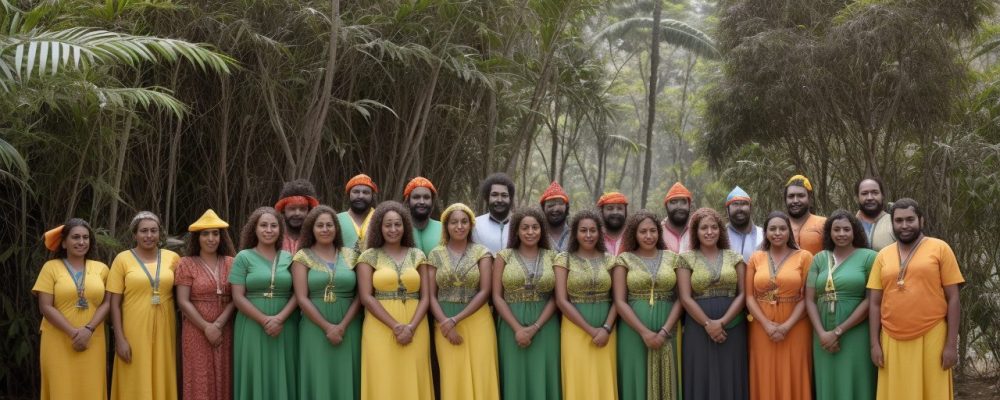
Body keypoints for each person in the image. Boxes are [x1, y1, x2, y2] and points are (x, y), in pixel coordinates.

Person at [867, 198, 963, 400]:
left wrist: (951, 345)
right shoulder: (882, 255)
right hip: (891, 338)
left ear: (921, 220)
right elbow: (874, 303)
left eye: (910, 219)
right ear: (892, 223)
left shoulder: (940, 248)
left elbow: (953, 297)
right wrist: (874, 344)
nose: (904, 225)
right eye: (899, 220)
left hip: (932, 335)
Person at [356, 201, 434, 399]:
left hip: (416, 325)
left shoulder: (418, 255)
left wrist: (411, 327)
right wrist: (396, 326)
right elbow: (366, 297)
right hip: (380, 326)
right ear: (379, 227)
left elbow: (426, 296)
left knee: (413, 375)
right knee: (383, 377)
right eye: (388, 225)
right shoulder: (368, 256)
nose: (393, 229)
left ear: (405, 226)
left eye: (398, 224)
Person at [427, 203, 500, 400]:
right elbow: (431, 295)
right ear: (446, 226)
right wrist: (445, 322)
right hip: (444, 321)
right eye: (454, 222)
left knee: (482, 372)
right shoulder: (435, 254)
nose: (459, 226)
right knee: (453, 375)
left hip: (477, 319)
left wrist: (455, 320)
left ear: (471, 225)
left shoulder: (482, 252)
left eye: (464, 222)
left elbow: (485, 291)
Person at [33, 219, 111, 400]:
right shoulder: (50, 268)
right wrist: (74, 333)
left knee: (90, 387)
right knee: (61, 388)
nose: (81, 242)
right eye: (75, 237)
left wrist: (88, 330)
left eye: (85, 237)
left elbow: (107, 303)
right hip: (58, 339)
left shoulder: (102, 268)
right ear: (63, 243)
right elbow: (45, 306)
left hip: (93, 338)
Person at [676, 208, 749, 400]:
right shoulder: (685, 258)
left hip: (732, 326)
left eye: (714, 227)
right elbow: (685, 298)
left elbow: (743, 294)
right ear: (695, 231)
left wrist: (722, 323)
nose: (709, 232)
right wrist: (708, 324)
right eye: (704, 228)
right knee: (701, 373)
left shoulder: (735, 257)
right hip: (698, 326)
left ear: (720, 230)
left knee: (730, 373)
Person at [291, 205, 362, 399]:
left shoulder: (351, 255)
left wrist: (342, 326)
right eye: (320, 225)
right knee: (319, 375)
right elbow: (301, 298)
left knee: (347, 374)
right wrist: (328, 327)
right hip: (314, 328)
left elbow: (360, 295)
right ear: (311, 229)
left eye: (329, 225)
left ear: (336, 228)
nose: (325, 229)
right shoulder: (302, 257)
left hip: (349, 326)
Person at [804, 210, 877, 400]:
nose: (841, 233)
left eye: (846, 229)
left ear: (855, 231)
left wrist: (838, 331)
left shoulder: (869, 257)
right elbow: (809, 299)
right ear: (829, 232)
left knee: (855, 379)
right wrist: (822, 333)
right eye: (836, 229)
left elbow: (871, 300)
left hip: (855, 331)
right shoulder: (819, 258)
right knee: (828, 381)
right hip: (822, 333)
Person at [108, 211, 180, 400]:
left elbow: (184, 293)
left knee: (161, 371)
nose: (149, 235)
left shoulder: (173, 258)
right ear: (135, 234)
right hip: (133, 329)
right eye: (144, 231)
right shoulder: (122, 259)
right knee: (135, 374)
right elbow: (114, 304)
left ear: (160, 234)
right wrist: (120, 339)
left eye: (153, 231)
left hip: (165, 328)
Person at [612, 210, 683, 400]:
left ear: (659, 232)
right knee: (637, 378)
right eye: (643, 231)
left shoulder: (673, 258)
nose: (649, 236)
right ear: (634, 234)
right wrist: (644, 333)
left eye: (653, 231)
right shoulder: (624, 260)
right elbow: (619, 301)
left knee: (668, 378)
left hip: (668, 328)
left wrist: (665, 331)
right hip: (633, 331)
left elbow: (681, 298)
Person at [229, 207, 298, 400]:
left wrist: (279, 319)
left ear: (280, 230)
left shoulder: (289, 258)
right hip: (252, 324)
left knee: (282, 370)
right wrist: (264, 320)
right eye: (264, 225)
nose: (269, 230)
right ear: (255, 229)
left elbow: (298, 293)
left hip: (285, 324)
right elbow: (238, 297)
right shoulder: (243, 257)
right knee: (255, 370)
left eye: (274, 226)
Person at [492, 207, 561, 400]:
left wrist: (535, 327)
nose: (530, 232)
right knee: (515, 376)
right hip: (510, 325)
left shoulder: (553, 256)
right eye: (525, 228)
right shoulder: (503, 256)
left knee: (543, 375)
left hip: (545, 325)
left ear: (542, 230)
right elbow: (497, 296)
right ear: (516, 230)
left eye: (535, 227)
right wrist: (518, 329)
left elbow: (556, 297)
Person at [745, 211, 813, 400]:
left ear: (789, 231)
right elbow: (749, 297)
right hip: (761, 326)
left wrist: (786, 326)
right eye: (772, 229)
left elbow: (808, 298)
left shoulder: (805, 257)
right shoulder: (755, 258)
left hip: (796, 325)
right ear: (765, 232)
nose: (777, 233)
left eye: (782, 228)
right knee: (764, 372)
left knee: (794, 370)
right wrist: (767, 325)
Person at [554, 210, 618, 399]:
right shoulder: (563, 259)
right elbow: (561, 300)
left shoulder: (610, 260)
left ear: (599, 232)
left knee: (604, 378)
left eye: (593, 230)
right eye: (583, 230)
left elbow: (618, 299)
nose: (588, 235)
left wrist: (606, 329)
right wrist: (591, 330)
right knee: (578, 378)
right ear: (575, 233)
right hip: (574, 327)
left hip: (606, 328)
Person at [175, 210, 236, 400]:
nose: (211, 239)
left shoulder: (231, 262)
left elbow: (236, 298)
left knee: (225, 373)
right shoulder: (186, 263)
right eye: (205, 234)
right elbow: (183, 301)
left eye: (215, 233)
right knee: (199, 376)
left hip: (225, 327)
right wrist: (206, 327)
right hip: (195, 329)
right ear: (197, 238)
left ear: (222, 237)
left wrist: (218, 325)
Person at [472, 172, 515, 253]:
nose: (499, 200)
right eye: (494, 195)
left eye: (504, 195)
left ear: (510, 198)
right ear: (487, 197)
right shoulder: (475, 225)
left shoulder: (520, 225)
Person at [785, 174, 826, 255]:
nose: (795, 200)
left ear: (809, 198)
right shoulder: (778, 227)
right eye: (791, 196)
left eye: (801, 196)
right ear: (785, 199)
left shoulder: (824, 224)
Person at [275, 179, 319, 253]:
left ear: (309, 210)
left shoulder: (318, 237)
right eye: (292, 208)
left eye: (302, 209)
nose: (297, 213)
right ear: (283, 210)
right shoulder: (273, 236)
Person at [338, 174, 378, 250]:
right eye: (356, 192)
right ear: (349, 194)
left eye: (365, 192)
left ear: (372, 196)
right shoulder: (336, 220)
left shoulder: (381, 219)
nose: (360, 196)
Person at [725, 186, 764, 263]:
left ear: (750, 208)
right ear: (727, 210)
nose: (740, 209)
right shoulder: (720, 236)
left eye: (744, 204)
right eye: (735, 204)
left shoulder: (763, 234)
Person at [406, 176, 443, 256]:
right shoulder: (398, 230)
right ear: (408, 201)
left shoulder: (444, 229)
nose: (422, 202)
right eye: (416, 197)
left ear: (432, 202)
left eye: (426, 197)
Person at [855, 177, 895, 251]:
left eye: (875, 193)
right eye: (864, 193)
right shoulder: (848, 226)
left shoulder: (895, 222)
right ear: (857, 198)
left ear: (882, 196)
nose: (870, 198)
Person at [661, 182, 693, 253]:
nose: (679, 206)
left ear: (689, 205)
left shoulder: (698, 229)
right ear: (666, 206)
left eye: (683, 201)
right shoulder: (658, 232)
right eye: (673, 202)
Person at [540, 181, 571, 251]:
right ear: (543, 208)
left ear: (566, 207)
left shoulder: (576, 235)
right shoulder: (536, 235)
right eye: (550, 205)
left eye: (560, 204)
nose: (555, 209)